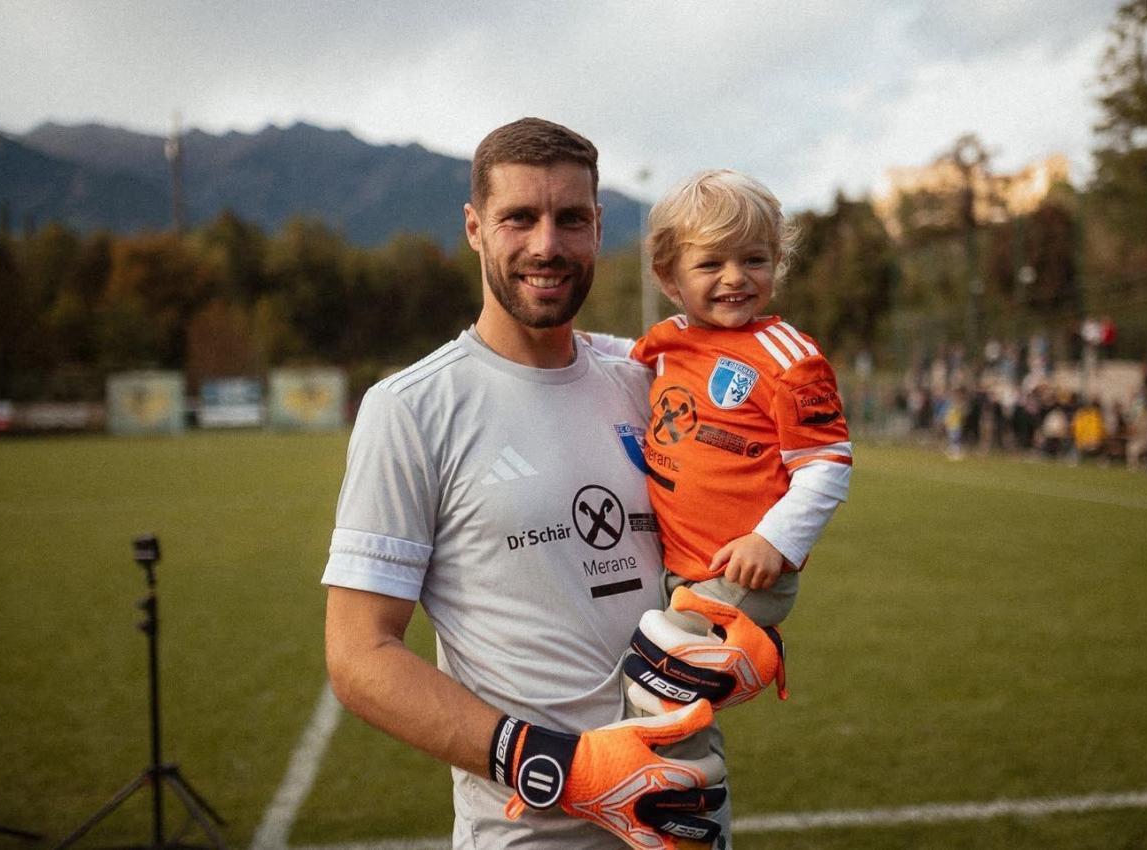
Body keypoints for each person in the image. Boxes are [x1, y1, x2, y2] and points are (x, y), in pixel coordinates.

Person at [322, 118, 729, 850]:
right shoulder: (411, 409)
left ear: (597, 228)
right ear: (474, 228)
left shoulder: (649, 383)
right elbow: (359, 657)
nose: (547, 245)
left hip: (687, 807)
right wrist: (564, 768)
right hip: (533, 833)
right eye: (519, 217)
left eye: (570, 219)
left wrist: (747, 619)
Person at [589, 170, 852, 719]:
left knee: (652, 687)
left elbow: (827, 464)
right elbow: (620, 355)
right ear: (669, 278)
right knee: (650, 681)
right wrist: (563, 345)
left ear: (776, 262)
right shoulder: (670, 342)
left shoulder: (789, 359)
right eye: (711, 264)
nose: (735, 277)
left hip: (741, 574)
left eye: (754, 260)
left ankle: (742, 664)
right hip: (677, 567)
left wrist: (773, 541)